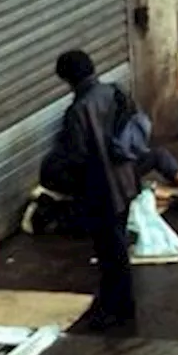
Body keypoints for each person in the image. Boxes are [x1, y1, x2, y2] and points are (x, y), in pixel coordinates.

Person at [42, 51, 143, 331]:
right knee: (118, 247)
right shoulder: (115, 92)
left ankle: (117, 309)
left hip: (102, 191)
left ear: (67, 79)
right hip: (126, 181)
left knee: (111, 254)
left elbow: (76, 157)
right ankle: (121, 304)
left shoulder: (77, 111)